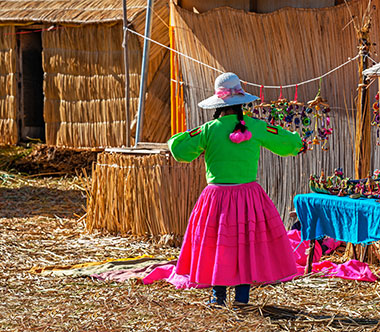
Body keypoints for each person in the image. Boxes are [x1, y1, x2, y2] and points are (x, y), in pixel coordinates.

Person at [167, 72, 302, 306]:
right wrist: (298, 145)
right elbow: (290, 143)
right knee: (246, 243)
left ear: (218, 104)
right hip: (248, 196)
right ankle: (242, 298)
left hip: (216, 198)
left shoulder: (208, 129)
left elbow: (178, 149)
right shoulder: (256, 126)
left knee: (219, 243)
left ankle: (217, 297)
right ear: (241, 102)